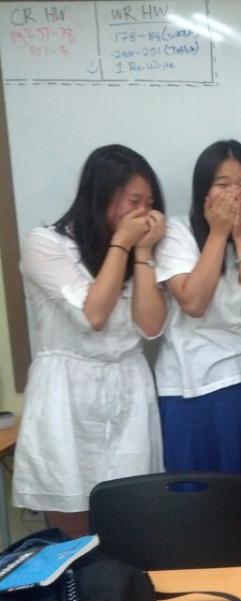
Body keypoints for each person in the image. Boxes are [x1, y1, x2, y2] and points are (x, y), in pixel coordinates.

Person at [12, 144, 167, 537]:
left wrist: (142, 253)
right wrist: (121, 244)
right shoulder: (45, 244)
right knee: (73, 537)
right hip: (66, 396)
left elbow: (151, 326)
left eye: (150, 204)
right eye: (134, 201)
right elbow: (92, 315)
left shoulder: (138, 253)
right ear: (102, 196)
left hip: (129, 390)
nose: (144, 213)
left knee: (132, 526)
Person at [153, 140, 241, 479]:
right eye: (222, 184)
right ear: (203, 191)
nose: (234, 193)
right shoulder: (177, 232)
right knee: (194, 497)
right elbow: (193, 302)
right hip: (189, 386)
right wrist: (219, 233)